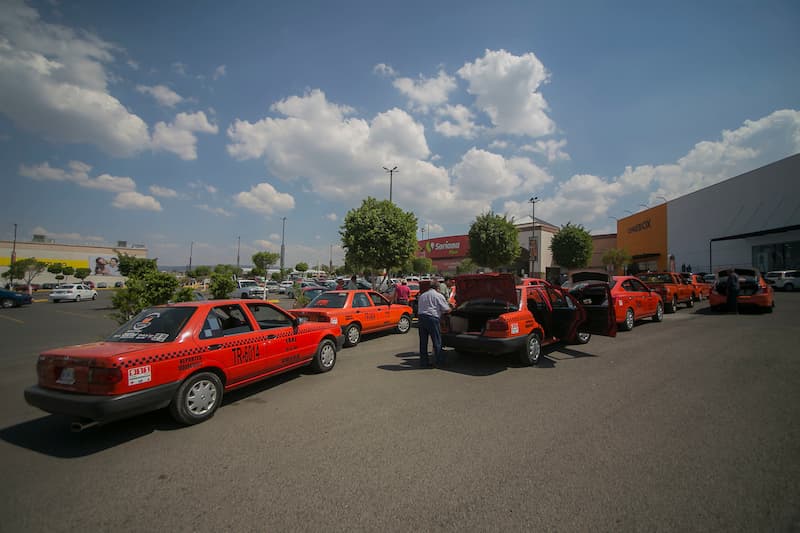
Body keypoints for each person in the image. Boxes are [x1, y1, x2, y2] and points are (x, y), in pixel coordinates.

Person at [417, 281, 451, 368]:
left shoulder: (423, 295)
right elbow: (446, 309)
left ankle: (424, 362)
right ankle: (439, 362)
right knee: (437, 341)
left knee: (423, 342)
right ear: (438, 288)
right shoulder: (438, 295)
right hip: (432, 318)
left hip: (421, 318)